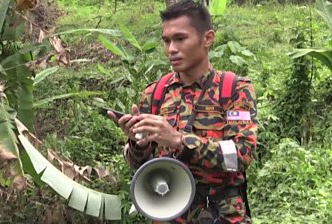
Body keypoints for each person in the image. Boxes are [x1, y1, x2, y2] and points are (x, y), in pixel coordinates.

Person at [107, 1, 257, 223]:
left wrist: (178, 139)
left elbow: (240, 154)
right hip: (167, 212)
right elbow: (140, 166)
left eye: (180, 39)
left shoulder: (234, 89)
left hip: (220, 215)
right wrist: (139, 144)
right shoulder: (155, 93)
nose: (171, 49)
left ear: (207, 38)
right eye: (166, 41)